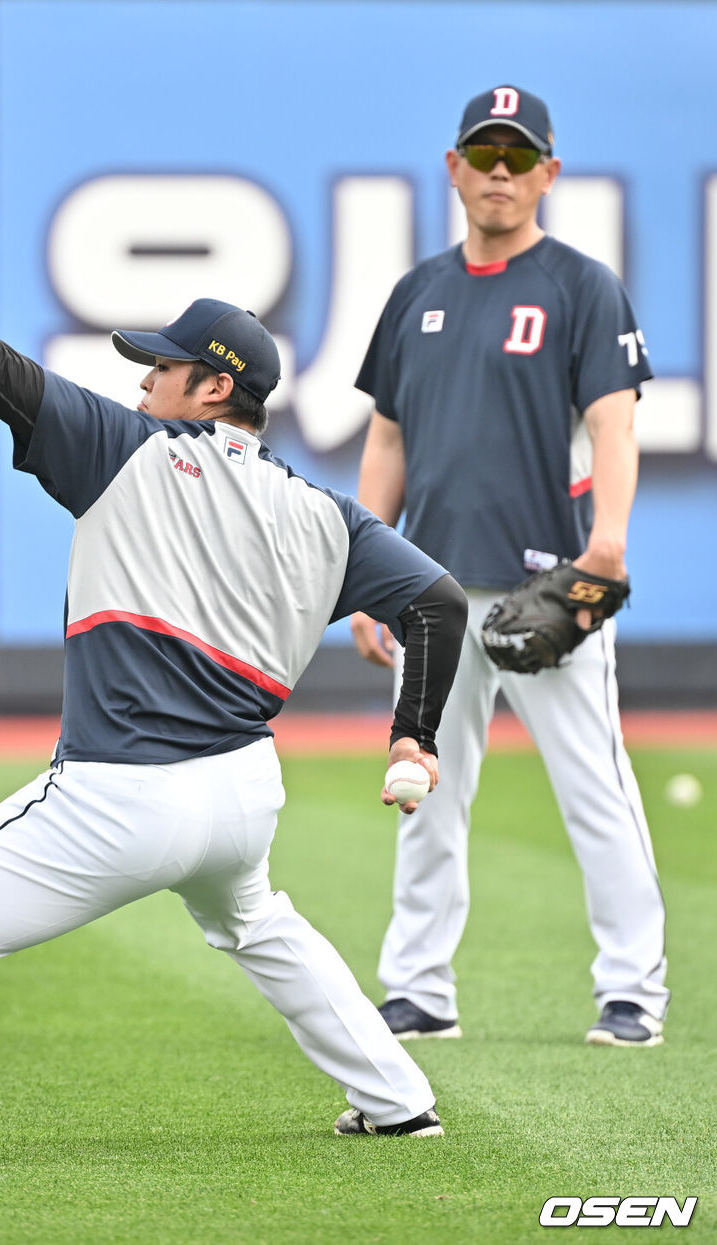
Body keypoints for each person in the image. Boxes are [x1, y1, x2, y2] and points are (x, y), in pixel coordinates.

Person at [0, 267, 469, 1164]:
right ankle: (398, 1098)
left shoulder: (129, 447)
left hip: (120, 794)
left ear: (213, 388)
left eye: (162, 368)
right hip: (242, 797)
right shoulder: (329, 517)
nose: (142, 381)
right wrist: (415, 733)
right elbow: (438, 603)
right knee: (258, 923)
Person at [350, 85, 669, 1048]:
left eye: (518, 156)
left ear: (549, 174)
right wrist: (366, 566)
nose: (500, 170)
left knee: (595, 792)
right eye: (483, 153)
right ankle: (416, 988)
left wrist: (607, 538)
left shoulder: (581, 285)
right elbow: (387, 438)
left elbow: (615, 423)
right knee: (423, 788)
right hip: (432, 590)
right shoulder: (417, 293)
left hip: (548, 583)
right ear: (452, 167)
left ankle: (631, 992)